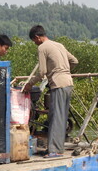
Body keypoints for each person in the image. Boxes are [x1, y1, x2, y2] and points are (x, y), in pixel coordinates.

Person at [22, 25, 78, 158]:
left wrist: (29, 84)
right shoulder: (59, 45)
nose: (35, 44)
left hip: (58, 84)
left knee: (55, 118)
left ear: (37, 37)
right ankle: (58, 149)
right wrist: (64, 70)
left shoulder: (42, 47)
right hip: (68, 83)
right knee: (62, 117)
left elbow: (42, 72)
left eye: (34, 41)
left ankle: (54, 151)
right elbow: (75, 61)